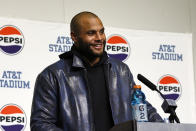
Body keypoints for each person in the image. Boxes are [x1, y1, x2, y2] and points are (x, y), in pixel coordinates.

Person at [30, 11, 163, 131]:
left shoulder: (121, 71)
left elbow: (141, 107)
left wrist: (163, 126)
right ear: (74, 37)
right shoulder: (52, 75)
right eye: (91, 33)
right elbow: (41, 124)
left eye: (101, 31)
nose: (99, 38)